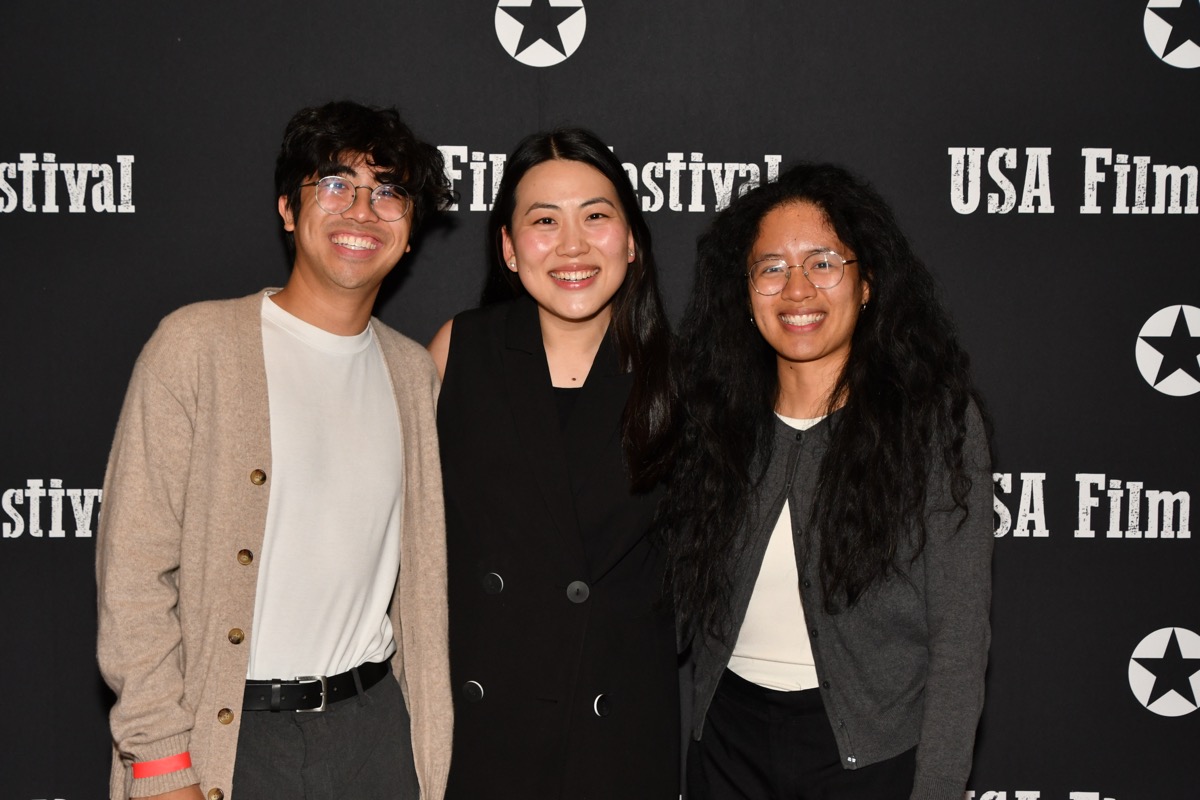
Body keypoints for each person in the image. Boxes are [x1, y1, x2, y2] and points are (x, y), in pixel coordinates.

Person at [96, 101, 455, 800]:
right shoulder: (195, 347)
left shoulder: (413, 375)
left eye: (388, 191)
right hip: (228, 743)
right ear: (288, 209)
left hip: (374, 735)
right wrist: (163, 762)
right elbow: (133, 576)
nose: (362, 210)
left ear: (410, 231)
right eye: (335, 184)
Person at [664, 163, 993, 800]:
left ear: (866, 281)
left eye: (823, 262)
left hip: (869, 755)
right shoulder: (714, 415)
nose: (797, 290)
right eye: (771, 268)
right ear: (745, 289)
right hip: (725, 745)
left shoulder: (934, 421)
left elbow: (959, 635)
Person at [427, 127, 679, 798]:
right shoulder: (460, 351)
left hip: (619, 736)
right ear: (508, 248)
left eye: (596, 217)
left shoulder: (682, 376)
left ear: (631, 239)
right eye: (544, 222)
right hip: (485, 736)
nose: (572, 245)